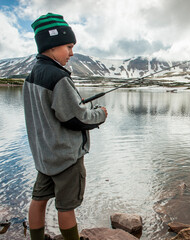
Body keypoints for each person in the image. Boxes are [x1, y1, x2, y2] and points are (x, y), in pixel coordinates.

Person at [23, 13, 108, 240]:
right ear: (51, 45)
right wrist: (100, 114)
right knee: (66, 207)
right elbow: (75, 118)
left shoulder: (32, 75)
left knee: (38, 200)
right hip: (66, 158)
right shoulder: (58, 77)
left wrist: (77, 107)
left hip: (44, 156)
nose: (71, 53)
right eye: (68, 47)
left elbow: (51, 112)